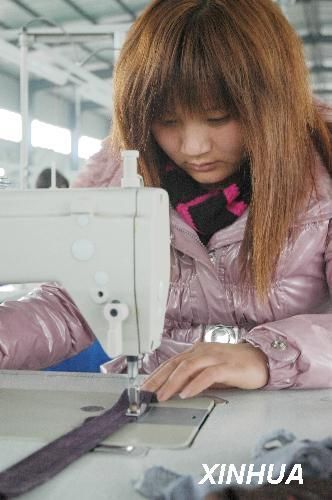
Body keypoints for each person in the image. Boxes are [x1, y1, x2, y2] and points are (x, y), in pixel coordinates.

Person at [1, 0, 332, 401]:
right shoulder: (117, 185)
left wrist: (270, 356)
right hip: (159, 398)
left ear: (269, 104)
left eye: (218, 118)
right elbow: (76, 307)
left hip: (294, 408)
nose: (192, 147)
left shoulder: (324, 175)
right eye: (167, 120)